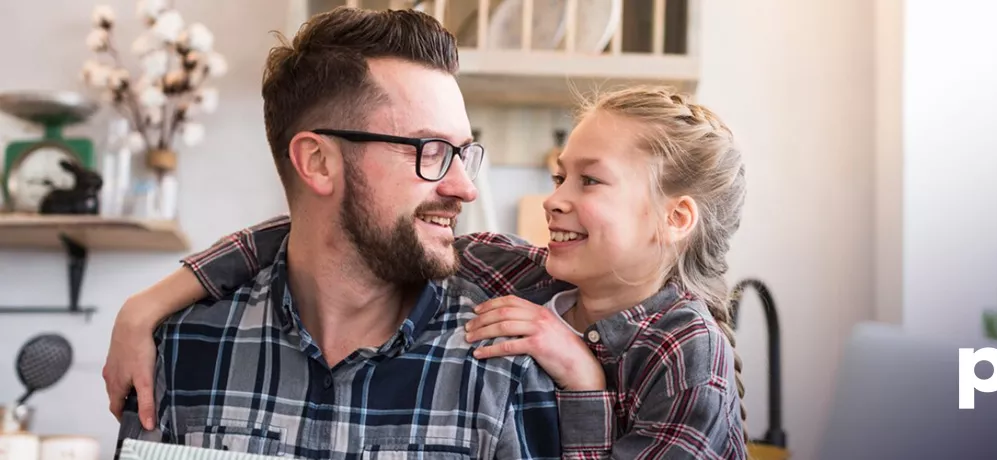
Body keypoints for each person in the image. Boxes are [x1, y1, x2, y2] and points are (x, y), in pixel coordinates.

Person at [108, 61, 749, 460]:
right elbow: (315, 233)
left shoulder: (687, 349)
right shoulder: (524, 277)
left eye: (590, 181)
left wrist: (583, 382)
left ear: (676, 218)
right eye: (560, 177)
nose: (554, 200)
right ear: (317, 161)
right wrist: (153, 301)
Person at [110, 7, 580, 459]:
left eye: (462, 153)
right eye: (431, 151)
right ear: (317, 162)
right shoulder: (177, 350)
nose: (464, 188)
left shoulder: (505, 367)